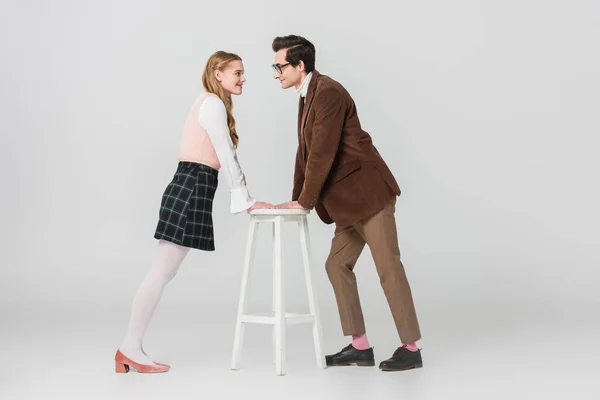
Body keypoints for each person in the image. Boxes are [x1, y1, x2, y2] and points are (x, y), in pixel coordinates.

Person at [271, 35, 423, 371]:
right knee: (336, 265)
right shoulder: (307, 96)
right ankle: (360, 346)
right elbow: (305, 154)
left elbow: (322, 153)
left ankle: (411, 348)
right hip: (347, 204)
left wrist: (306, 202)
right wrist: (297, 200)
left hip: (368, 197)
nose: (275, 73)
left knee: (388, 268)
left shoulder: (328, 93)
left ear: (300, 65)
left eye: (279, 66)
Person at [114, 50, 271, 373]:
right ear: (218, 73)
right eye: (237, 73)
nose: (243, 79)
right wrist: (246, 199)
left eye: (243, 73)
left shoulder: (211, 103)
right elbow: (226, 154)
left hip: (193, 185)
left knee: (164, 272)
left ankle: (130, 348)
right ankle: (129, 348)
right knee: (160, 273)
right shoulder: (212, 104)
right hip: (191, 186)